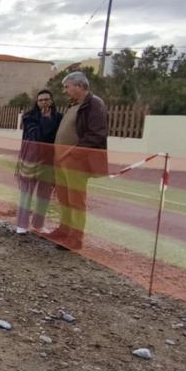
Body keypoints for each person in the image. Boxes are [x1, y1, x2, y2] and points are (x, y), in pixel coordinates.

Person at [46, 71, 109, 250]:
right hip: (61, 160)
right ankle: (64, 230)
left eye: (67, 87)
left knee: (76, 200)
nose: (65, 91)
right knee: (64, 198)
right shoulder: (74, 105)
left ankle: (76, 237)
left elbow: (96, 134)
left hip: (75, 161)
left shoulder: (94, 104)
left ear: (79, 86)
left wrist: (73, 153)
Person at [14, 89, 63, 234]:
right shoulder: (29, 117)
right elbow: (36, 135)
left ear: (52, 101)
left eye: (46, 99)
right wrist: (44, 119)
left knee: (44, 195)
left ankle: (38, 224)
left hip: (49, 160)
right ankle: (22, 224)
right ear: (37, 102)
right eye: (41, 100)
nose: (44, 102)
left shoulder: (59, 118)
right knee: (26, 193)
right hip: (31, 158)